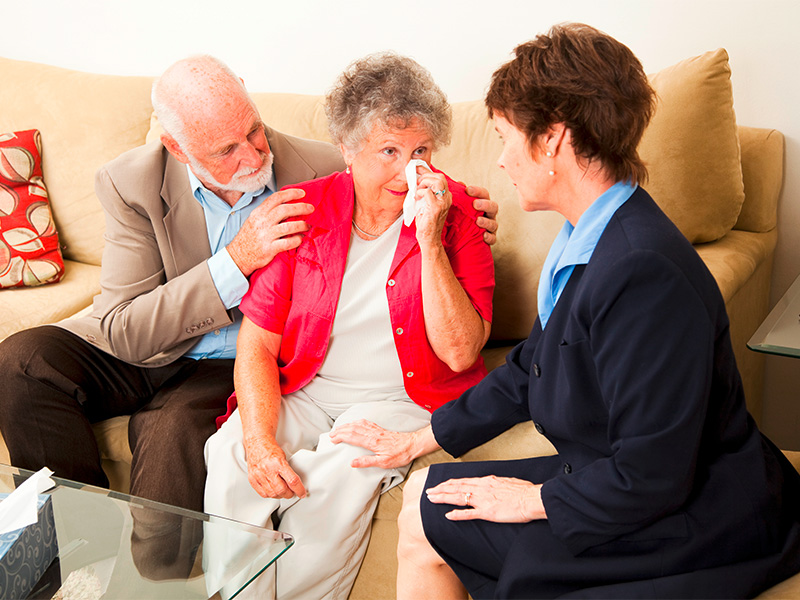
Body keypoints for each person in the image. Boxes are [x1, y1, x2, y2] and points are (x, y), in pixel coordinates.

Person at [331, 23, 800, 599]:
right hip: (623, 478)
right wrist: (420, 439)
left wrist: (532, 501)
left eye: (505, 136)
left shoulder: (642, 272)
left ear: (552, 140)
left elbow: (653, 473)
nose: (500, 160)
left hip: (690, 507)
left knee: (465, 536)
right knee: (423, 505)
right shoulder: (590, 237)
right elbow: (535, 366)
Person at [0, 55, 499, 514]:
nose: (253, 153)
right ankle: (77, 538)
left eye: (254, 131)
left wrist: (464, 216)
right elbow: (125, 330)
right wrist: (236, 260)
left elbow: (396, 178)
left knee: (172, 432)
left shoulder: (323, 166)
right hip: (152, 341)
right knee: (20, 361)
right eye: (226, 150)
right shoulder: (129, 182)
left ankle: (161, 577)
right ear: (176, 148)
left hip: (237, 357)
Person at [203, 51, 495, 600]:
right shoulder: (305, 211)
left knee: (339, 470)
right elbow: (258, 344)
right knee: (232, 454)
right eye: (388, 151)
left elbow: (460, 354)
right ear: (347, 149)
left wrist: (430, 239)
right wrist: (261, 439)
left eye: (421, 151)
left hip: (403, 397)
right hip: (309, 390)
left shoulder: (453, 211)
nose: (410, 170)